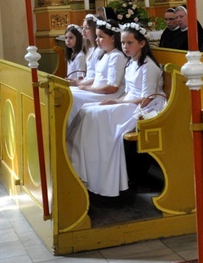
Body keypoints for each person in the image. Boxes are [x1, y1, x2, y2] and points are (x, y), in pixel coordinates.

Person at [67, 23, 165, 199]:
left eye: (130, 43)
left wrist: (117, 102)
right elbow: (128, 91)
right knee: (88, 110)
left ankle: (102, 174)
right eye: (124, 42)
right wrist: (117, 101)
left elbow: (148, 97)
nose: (126, 47)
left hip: (144, 107)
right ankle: (85, 169)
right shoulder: (131, 63)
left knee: (96, 114)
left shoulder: (149, 66)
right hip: (130, 102)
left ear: (142, 43)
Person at [68, 19, 128, 126]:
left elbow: (112, 87)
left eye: (101, 37)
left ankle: (68, 128)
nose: (96, 40)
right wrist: (81, 84)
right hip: (98, 90)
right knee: (68, 92)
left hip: (109, 95)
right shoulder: (105, 54)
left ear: (113, 38)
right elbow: (98, 78)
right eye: (96, 36)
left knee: (72, 96)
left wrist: (87, 88)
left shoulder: (117, 56)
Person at [80, 14, 103, 86]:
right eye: (82, 27)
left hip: (94, 85)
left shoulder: (99, 51)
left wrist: (78, 83)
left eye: (87, 28)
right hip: (88, 83)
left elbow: (97, 76)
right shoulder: (91, 49)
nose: (83, 30)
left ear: (95, 29)